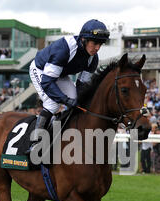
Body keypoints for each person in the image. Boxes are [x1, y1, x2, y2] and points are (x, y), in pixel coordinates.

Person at [26, 19, 110, 153]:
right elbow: (47, 82)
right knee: (52, 104)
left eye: (100, 44)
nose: (97, 48)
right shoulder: (65, 48)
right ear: (84, 39)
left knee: (76, 100)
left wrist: (76, 101)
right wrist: (65, 100)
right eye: (95, 43)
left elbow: (82, 85)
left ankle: (61, 135)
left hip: (60, 75)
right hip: (41, 70)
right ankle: (35, 143)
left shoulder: (93, 59)